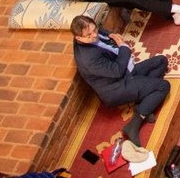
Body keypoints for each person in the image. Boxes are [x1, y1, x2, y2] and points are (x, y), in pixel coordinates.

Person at [70, 15, 170, 146]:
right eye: (89, 35)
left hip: (127, 72)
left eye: (94, 30)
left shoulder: (87, 34)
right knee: (163, 86)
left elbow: (101, 32)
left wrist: (111, 34)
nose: (94, 35)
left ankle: (143, 101)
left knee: (161, 61)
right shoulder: (89, 59)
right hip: (116, 87)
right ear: (79, 38)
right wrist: (123, 47)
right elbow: (117, 70)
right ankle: (134, 123)